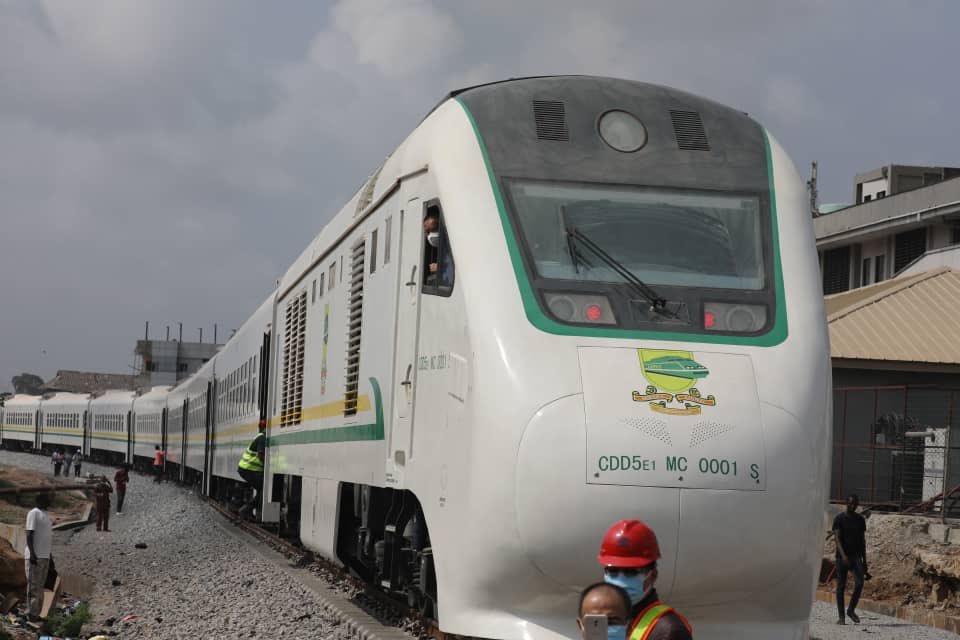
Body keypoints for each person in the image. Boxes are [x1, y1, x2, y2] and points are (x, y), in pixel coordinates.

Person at [598, 519, 692, 640]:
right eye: (613, 571)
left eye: (631, 572)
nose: (620, 581)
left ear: (653, 575)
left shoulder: (668, 631)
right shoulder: (608, 621)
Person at [834, 494, 867, 625]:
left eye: (855, 504)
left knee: (859, 583)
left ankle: (851, 610)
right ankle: (841, 617)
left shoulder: (860, 520)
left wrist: (865, 561)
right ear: (846, 503)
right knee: (841, 586)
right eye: (851, 503)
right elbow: (837, 538)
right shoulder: (839, 519)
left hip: (856, 557)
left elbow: (863, 541)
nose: (853, 506)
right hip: (842, 558)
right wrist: (843, 556)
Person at [24, 493, 53, 621]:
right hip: (35, 556)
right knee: (33, 587)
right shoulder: (33, 513)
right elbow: (29, 534)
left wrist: (49, 556)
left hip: (44, 556)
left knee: (40, 587)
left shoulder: (45, 515)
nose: (50, 500)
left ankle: (36, 614)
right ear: (41, 500)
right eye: (47, 499)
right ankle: (31, 614)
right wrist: (32, 553)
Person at [236, 421, 266, 520]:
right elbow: (260, 454)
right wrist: (267, 466)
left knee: (260, 488)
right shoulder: (262, 437)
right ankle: (246, 509)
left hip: (246, 469)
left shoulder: (259, 436)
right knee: (264, 487)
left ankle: (250, 511)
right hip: (249, 469)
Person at [422, 210, 454, 288]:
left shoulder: (451, 243)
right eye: (427, 231)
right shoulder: (444, 249)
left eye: (433, 230)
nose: (429, 236)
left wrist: (439, 267)